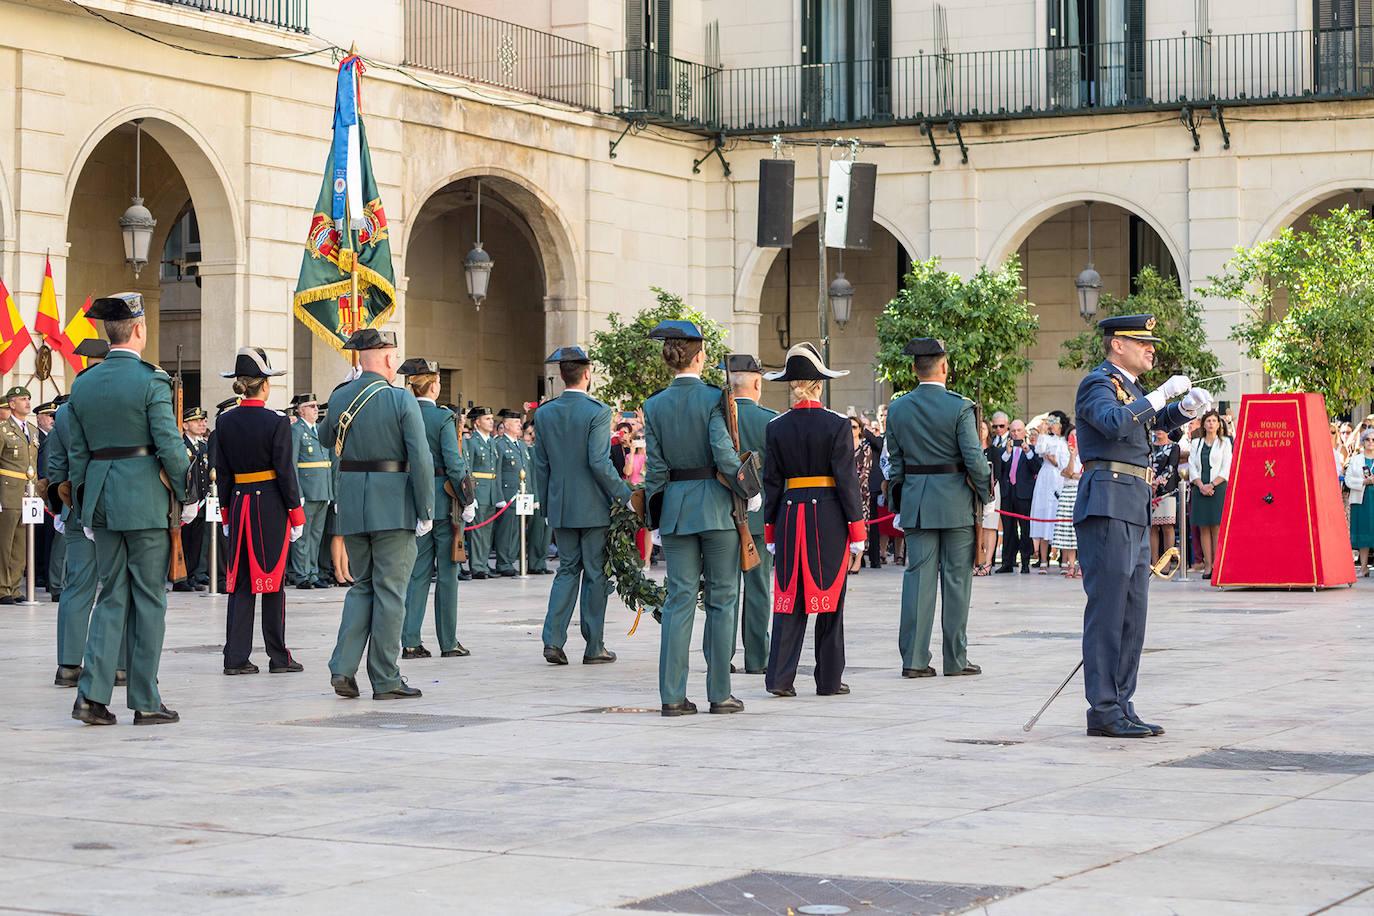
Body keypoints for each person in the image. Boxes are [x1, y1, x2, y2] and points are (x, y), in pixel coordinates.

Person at [1075, 313, 1209, 738]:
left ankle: (1122, 702)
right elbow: (1115, 422)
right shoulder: (1097, 384)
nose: (1151, 349)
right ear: (1117, 345)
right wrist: (1160, 397)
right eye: (1142, 342)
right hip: (1108, 500)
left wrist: (1181, 410)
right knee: (1109, 610)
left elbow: (1148, 424)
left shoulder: (1130, 389)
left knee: (1134, 612)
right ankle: (1103, 708)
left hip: (1133, 503)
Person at [68, 292, 192, 726]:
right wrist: (187, 492)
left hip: (101, 500)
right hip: (144, 503)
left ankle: (92, 698)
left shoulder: (83, 384)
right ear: (139, 329)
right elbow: (170, 446)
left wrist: (85, 506)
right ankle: (145, 698)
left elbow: (78, 457)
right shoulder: (151, 380)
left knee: (109, 597)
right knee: (148, 601)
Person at [642, 320, 759, 716]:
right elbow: (724, 456)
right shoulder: (713, 397)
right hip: (716, 509)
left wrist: (654, 519)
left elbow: (655, 471)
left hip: (675, 509)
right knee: (724, 600)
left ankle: (672, 695)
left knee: (679, 602)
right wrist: (750, 490)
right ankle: (719, 693)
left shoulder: (653, 404)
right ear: (700, 356)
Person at [320, 328, 435, 700]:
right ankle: (385, 678)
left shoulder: (341, 396)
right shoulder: (402, 400)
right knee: (390, 592)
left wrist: (343, 393)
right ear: (388, 359)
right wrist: (426, 509)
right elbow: (420, 458)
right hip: (393, 508)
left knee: (362, 586)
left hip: (353, 504)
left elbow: (324, 437)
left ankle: (343, 667)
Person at [759, 343, 863, 696]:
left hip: (789, 515)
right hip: (829, 518)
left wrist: (770, 530)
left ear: (793, 385)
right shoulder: (836, 425)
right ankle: (829, 680)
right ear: (819, 384)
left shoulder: (776, 426)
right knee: (831, 602)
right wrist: (858, 530)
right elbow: (847, 481)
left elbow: (772, 483)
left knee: (789, 600)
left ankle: (779, 679)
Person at [886, 338, 991, 679]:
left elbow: (896, 464)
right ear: (944, 367)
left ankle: (914, 660)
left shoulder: (898, 408)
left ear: (914, 369)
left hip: (917, 502)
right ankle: (955, 659)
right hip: (956, 503)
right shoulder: (960, 407)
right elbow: (974, 458)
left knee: (918, 580)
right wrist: (986, 490)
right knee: (957, 581)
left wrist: (901, 501)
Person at [534, 346, 630, 665]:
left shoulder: (544, 412)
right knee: (595, 574)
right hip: (593, 506)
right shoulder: (598, 411)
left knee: (566, 570)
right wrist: (625, 495)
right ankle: (594, 646)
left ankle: (553, 640)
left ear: (562, 375)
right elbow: (599, 463)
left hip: (560, 505)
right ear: (587, 374)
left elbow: (541, 465)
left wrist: (548, 504)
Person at [213, 348, 306, 676]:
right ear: (263, 385)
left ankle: (235, 657)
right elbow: (285, 472)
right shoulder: (277, 422)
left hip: (239, 504)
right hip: (269, 505)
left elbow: (222, 474)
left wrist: (225, 515)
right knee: (273, 583)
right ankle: (278, 656)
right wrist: (296, 515)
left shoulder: (224, 422)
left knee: (239, 584)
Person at [400, 358, 474, 659]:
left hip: (412, 500)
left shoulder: (403, 413)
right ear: (433, 386)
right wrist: (467, 498)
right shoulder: (443, 418)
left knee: (416, 574)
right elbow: (454, 464)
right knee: (447, 573)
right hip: (444, 504)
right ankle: (448, 641)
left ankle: (410, 640)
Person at [726, 354, 777, 674]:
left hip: (721, 516)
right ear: (757, 382)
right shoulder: (770, 421)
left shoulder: (717, 418)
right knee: (758, 590)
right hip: (759, 520)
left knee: (724, 589)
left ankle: (720, 654)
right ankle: (757, 658)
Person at [288, 392, 334, 589]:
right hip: (306, 491)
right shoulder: (296, 431)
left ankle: (313, 573)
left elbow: (327, 463)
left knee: (316, 535)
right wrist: (297, 493)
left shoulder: (319, 429)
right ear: (301, 410)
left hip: (322, 490)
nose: (316, 409)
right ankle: (300, 574)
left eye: (316, 406)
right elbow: (292, 465)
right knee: (303, 535)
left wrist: (330, 491)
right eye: (312, 406)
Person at [0, 385, 39, 604]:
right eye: (23, 399)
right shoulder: (3, 430)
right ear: (12, 404)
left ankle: (14, 587)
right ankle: (2, 587)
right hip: (8, 490)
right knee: (4, 542)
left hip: (28, 492)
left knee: (22, 543)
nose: (27, 402)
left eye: (28, 398)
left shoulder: (32, 431)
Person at [990, 419, 1041, 573]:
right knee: (1008, 529)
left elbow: (1036, 468)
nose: (1016, 433)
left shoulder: (1033, 450)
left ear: (1024, 431)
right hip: (1007, 493)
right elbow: (999, 469)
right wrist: (1007, 453)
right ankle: (1007, 562)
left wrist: (1028, 452)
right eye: (1013, 431)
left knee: (1025, 529)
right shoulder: (1003, 450)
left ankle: (1025, 562)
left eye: (1019, 430)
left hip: (1023, 494)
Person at [1188, 409, 1232, 580]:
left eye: (1214, 421)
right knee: (1203, 528)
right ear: (1204, 424)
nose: (1211, 424)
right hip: (1200, 488)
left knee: (1217, 527)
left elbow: (1226, 467)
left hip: (1218, 487)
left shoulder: (1225, 443)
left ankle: (1219, 565)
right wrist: (1201, 485)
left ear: (1219, 424)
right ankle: (1208, 565)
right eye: (1208, 421)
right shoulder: (1196, 443)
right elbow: (1192, 466)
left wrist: (1212, 484)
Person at [173, 406, 211, 593]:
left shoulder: (203, 445)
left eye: (203, 420)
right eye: (197, 421)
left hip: (202, 502)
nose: (202, 423)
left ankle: (192, 575)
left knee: (197, 540)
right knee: (185, 541)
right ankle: (180, 577)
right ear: (185, 425)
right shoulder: (181, 445)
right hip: (186, 502)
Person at [493, 408, 531, 576]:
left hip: (522, 494)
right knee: (506, 530)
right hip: (508, 494)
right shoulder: (500, 445)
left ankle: (511, 559)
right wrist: (499, 496)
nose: (519, 425)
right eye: (516, 423)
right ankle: (503, 562)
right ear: (506, 425)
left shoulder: (521, 445)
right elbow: (498, 472)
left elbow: (526, 471)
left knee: (517, 529)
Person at [463, 406, 499, 578]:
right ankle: (477, 566)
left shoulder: (492, 441)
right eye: (487, 419)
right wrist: (471, 495)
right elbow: (468, 469)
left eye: (492, 418)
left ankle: (483, 563)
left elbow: (495, 470)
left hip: (491, 491)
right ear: (477, 423)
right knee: (477, 531)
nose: (491, 422)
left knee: (487, 531)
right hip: (479, 490)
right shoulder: (471, 442)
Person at [1029, 413, 1068, 571]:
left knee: (1061, 516)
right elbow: (1040, 450)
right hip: (1046, 477)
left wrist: (1054, 460)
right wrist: (1043, 432)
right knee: (1045, 514)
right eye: (1049, 421)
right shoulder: (1046, 438)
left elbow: (1065, 461)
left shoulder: (1065, 441)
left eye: (1054, 421)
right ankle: (1043, 560)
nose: (1051, 424)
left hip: (1060, 477)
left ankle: (1064, 560)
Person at [34, 399, 60, 598]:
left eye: (53, 415)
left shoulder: (53, 435)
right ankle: (44, 575)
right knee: (46, 537)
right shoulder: (46, 438)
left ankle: (47, 575)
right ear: (39, 418)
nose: (52, 419)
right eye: (48, 416)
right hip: (46, 491)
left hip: (52, 491)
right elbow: (45, 467)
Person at [522, 420, 552, 575]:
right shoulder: (533, 451)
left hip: (551, 495)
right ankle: (534, 563)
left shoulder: (552, 450)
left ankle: (541, 562)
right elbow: (533, 475)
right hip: (538, 495)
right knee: (537, 531)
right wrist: (535, 497)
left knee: (547, 533)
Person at [1149, 429, 1182, 568]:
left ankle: (1166, 563)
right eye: (1156, 429)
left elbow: (1171, 467)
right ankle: (1155, 562)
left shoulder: (1174, 447)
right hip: (1149, 490)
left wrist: (1157, 483)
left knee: (1167, 526)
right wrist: (1150, 483)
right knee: (1152, 527)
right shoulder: (1149, 446)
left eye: (1162, 428)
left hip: (1167, 491)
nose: (1159, 431)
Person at [1052, 438, 1083, 578]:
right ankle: (1071, 566)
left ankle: (1082, 566)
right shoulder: (1063, 453)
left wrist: (1074, 475)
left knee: (1082, 531)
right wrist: (1072, 456)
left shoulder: (1087, 453)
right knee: (1068, 532)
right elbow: (1066, 472)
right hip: (1067, 492)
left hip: (1082, 492)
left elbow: (1086, 475)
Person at [1345, 429, 1374, 575]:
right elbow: (1348, 480)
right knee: (1364, 532)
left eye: (1373, 440)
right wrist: (1364, 481)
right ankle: (1363, 567)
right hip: (1361, 500)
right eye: (1367, 439)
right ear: (1363, 442)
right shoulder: (1356, 459)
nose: (1370, 442)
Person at [975, 418, 1001, 576]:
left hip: (991, 489)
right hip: (973, 489)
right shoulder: (972, 449)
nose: (981, 431)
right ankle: (977, 560)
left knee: (990, 527)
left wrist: (987, 487)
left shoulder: (994, 451)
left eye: (984, 428)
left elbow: (997, 472)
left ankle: (988, 562)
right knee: (976, 527)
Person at [848, 415, 872, 575]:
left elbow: (866, 471)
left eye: (855, 427)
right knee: (847, 524)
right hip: (845, 491)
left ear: (860, 430)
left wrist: (852, 487)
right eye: (849, 427)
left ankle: (858, 559)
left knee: (862, 524)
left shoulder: (865, 448)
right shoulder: (843, 446)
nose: (851, 430)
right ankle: (849, 558)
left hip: (860, 492)